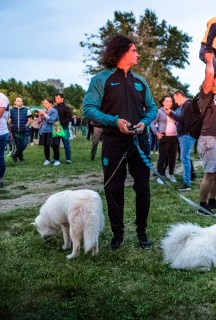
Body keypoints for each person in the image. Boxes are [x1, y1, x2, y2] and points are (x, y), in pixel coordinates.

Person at [83, 34, 157, 250]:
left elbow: (152, 108)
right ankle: (118, 235)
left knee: (143, 187)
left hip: (139, 142)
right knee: (114, 188)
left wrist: (144, 122)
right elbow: (88, 108)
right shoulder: (101, 79)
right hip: (114, 143)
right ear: (121, 52)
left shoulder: (141, 81)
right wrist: (115, 122)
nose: (137, 54)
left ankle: (142, 233)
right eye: (134, 50)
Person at [197, 52, 216, 214]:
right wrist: (210, 60)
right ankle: (202, 206)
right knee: (209, 173)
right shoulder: (206, 94)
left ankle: (212, 200)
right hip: (208, 139)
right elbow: (210, 74)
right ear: (213, 81)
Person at [150, 95, 179, 184]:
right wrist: (156, 133)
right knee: (162, 158)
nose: (169, 103)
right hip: (164, 137)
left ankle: (170, 174)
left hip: (174, 138)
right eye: (167, 101)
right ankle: (160, 176)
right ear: (163, 102)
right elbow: (152, 123)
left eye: (170, 101)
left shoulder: (173, 112)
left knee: (173, 158)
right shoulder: (159, 112)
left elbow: (178, 122)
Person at [171, 91, 196, 191]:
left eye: (175, 99)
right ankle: (188, 180)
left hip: (186, 135)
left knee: (184, 159)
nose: (175, 102)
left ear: (179, 96)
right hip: (185, 135)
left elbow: (182, 118)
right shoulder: (188, 105)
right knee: (185, 158)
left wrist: (170, 113)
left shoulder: (187, 104)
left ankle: (187, 184)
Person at [39, 99, 61, 166]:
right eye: (44, 103)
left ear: (50, 104)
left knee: (55, 146)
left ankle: (57, 160)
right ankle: (47, 160)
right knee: (46, 146)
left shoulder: (54, 111)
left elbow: (51, 120)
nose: (44, 104)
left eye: (46, 103)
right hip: (45, 131)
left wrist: (45, 114)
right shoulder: (45, 110)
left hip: (52, 131)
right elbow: (42, 120)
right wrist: (41, 115)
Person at [9, 97, 31, 162]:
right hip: (15, 131)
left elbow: (30, 120)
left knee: (24, 144)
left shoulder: (27, 109)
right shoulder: (11, 110)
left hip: (25, 130)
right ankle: (20, 158)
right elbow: (10, 120)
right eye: (18, 101)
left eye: (21, 101)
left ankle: (15, 155)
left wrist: (25, 126)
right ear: (15, 102)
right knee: (18, 145)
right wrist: (11, 127)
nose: (20, 102)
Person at [54, 93, 73, 164]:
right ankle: (56, 158)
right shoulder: (54, 108)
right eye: (55, 98)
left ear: (62, 99)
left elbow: (69, 118)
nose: (56, 99)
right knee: (55, 144)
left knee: (66, 144)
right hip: (56, 128)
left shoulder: (66, 108)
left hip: (64, 128)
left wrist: (60, 122)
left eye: (58, 98)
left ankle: (68, 158)